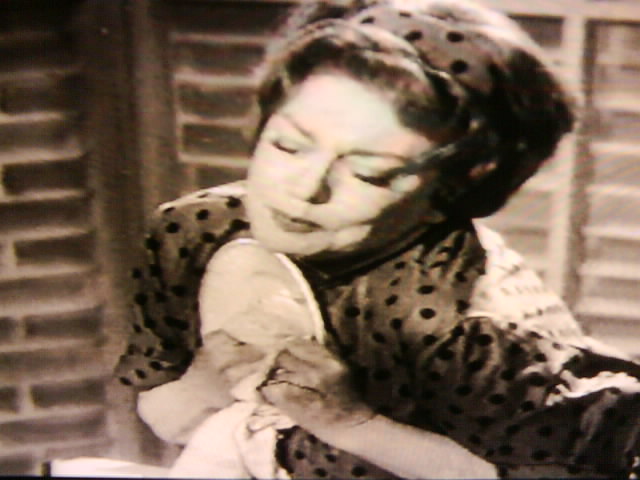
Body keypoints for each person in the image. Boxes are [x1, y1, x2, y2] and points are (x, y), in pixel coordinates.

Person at [115, 0, 640, 478]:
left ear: (450, 190)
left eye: (369, 174)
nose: (305, 189)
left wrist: (351, 423)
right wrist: (212, 378)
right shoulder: (196, 232)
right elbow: (163, 411)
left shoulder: (478, 332)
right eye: (289, 145)